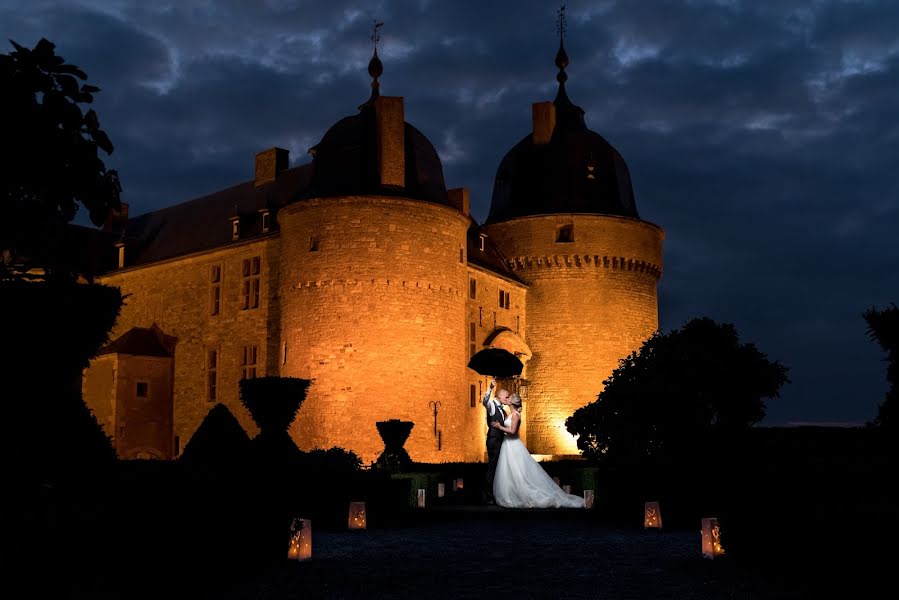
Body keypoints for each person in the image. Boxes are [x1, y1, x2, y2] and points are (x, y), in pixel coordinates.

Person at [491, 392, 585, 508]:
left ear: (512, 402)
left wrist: (499, 427)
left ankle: (522, 495)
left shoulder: (515, 415)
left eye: (508, 398)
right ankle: (513, 494)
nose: (507, 399)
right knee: (510, 471)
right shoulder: (510, 414)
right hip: (508, 445)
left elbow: (513, 431)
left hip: (513, 445)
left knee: (519, 471)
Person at [481, 378, 508, 505]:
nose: (507, 399)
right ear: (500, 396)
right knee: (492, 467)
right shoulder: (492, 405)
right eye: (506, 397)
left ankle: (495, 494)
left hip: (499, 439)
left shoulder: (503, 409)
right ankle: (488, 496)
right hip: (493, 439)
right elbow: (485, 401)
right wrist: (490, 388)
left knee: (497, 467)